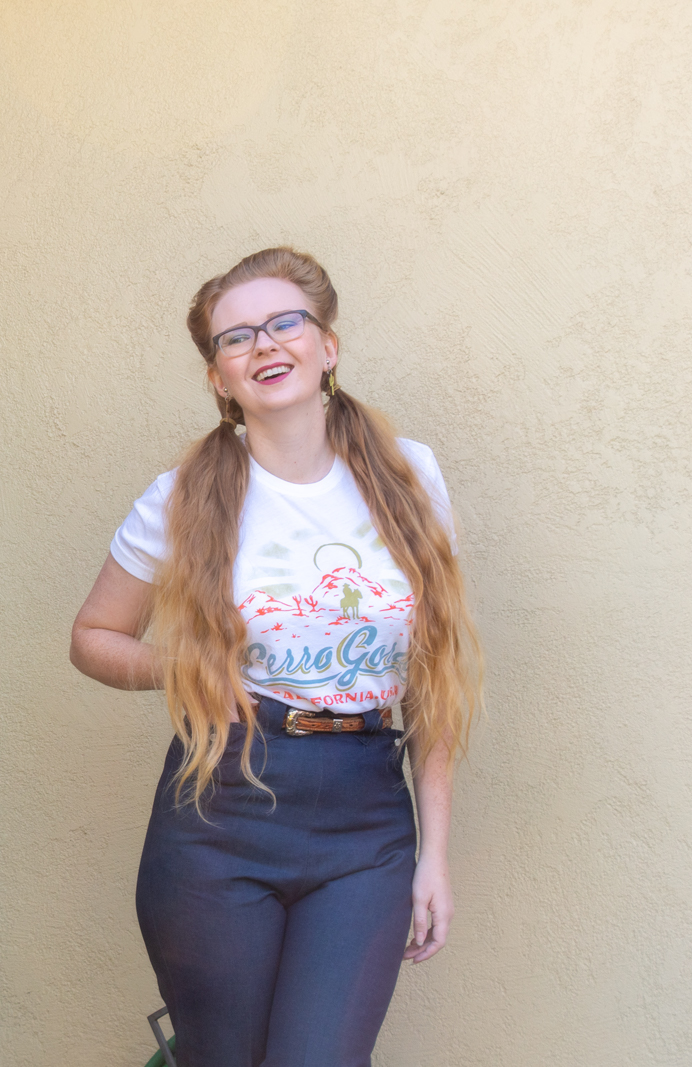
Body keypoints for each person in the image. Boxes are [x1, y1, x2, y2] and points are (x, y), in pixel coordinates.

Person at [69, 247, 482, 1067]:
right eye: (236, 337)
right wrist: (181, 668)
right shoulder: (183, 496)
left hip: (365, 820)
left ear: (326, 345)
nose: (264, 344)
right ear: (219, 378)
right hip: (221, 807)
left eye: (284, 322)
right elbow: (93, 637)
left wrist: (435, 850)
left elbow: (432, 681)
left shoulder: (409, 477)